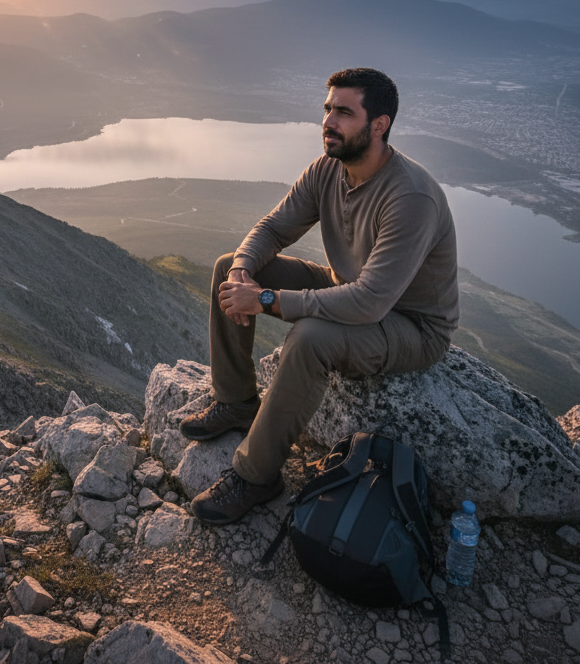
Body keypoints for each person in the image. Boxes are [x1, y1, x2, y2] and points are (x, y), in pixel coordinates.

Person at [181, 66, 459, 524]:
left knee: (310, 337)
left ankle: (256, 476)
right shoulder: (329, 169)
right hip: (347, 287)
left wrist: (266, 300)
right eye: (328, 109)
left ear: (379, 125)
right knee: (225, 269)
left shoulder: (411, 197)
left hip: (410, 324)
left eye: (344, 112)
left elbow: (370, 301)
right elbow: (273, 228)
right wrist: (243, 270)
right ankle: (236, 401)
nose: (328, 121)